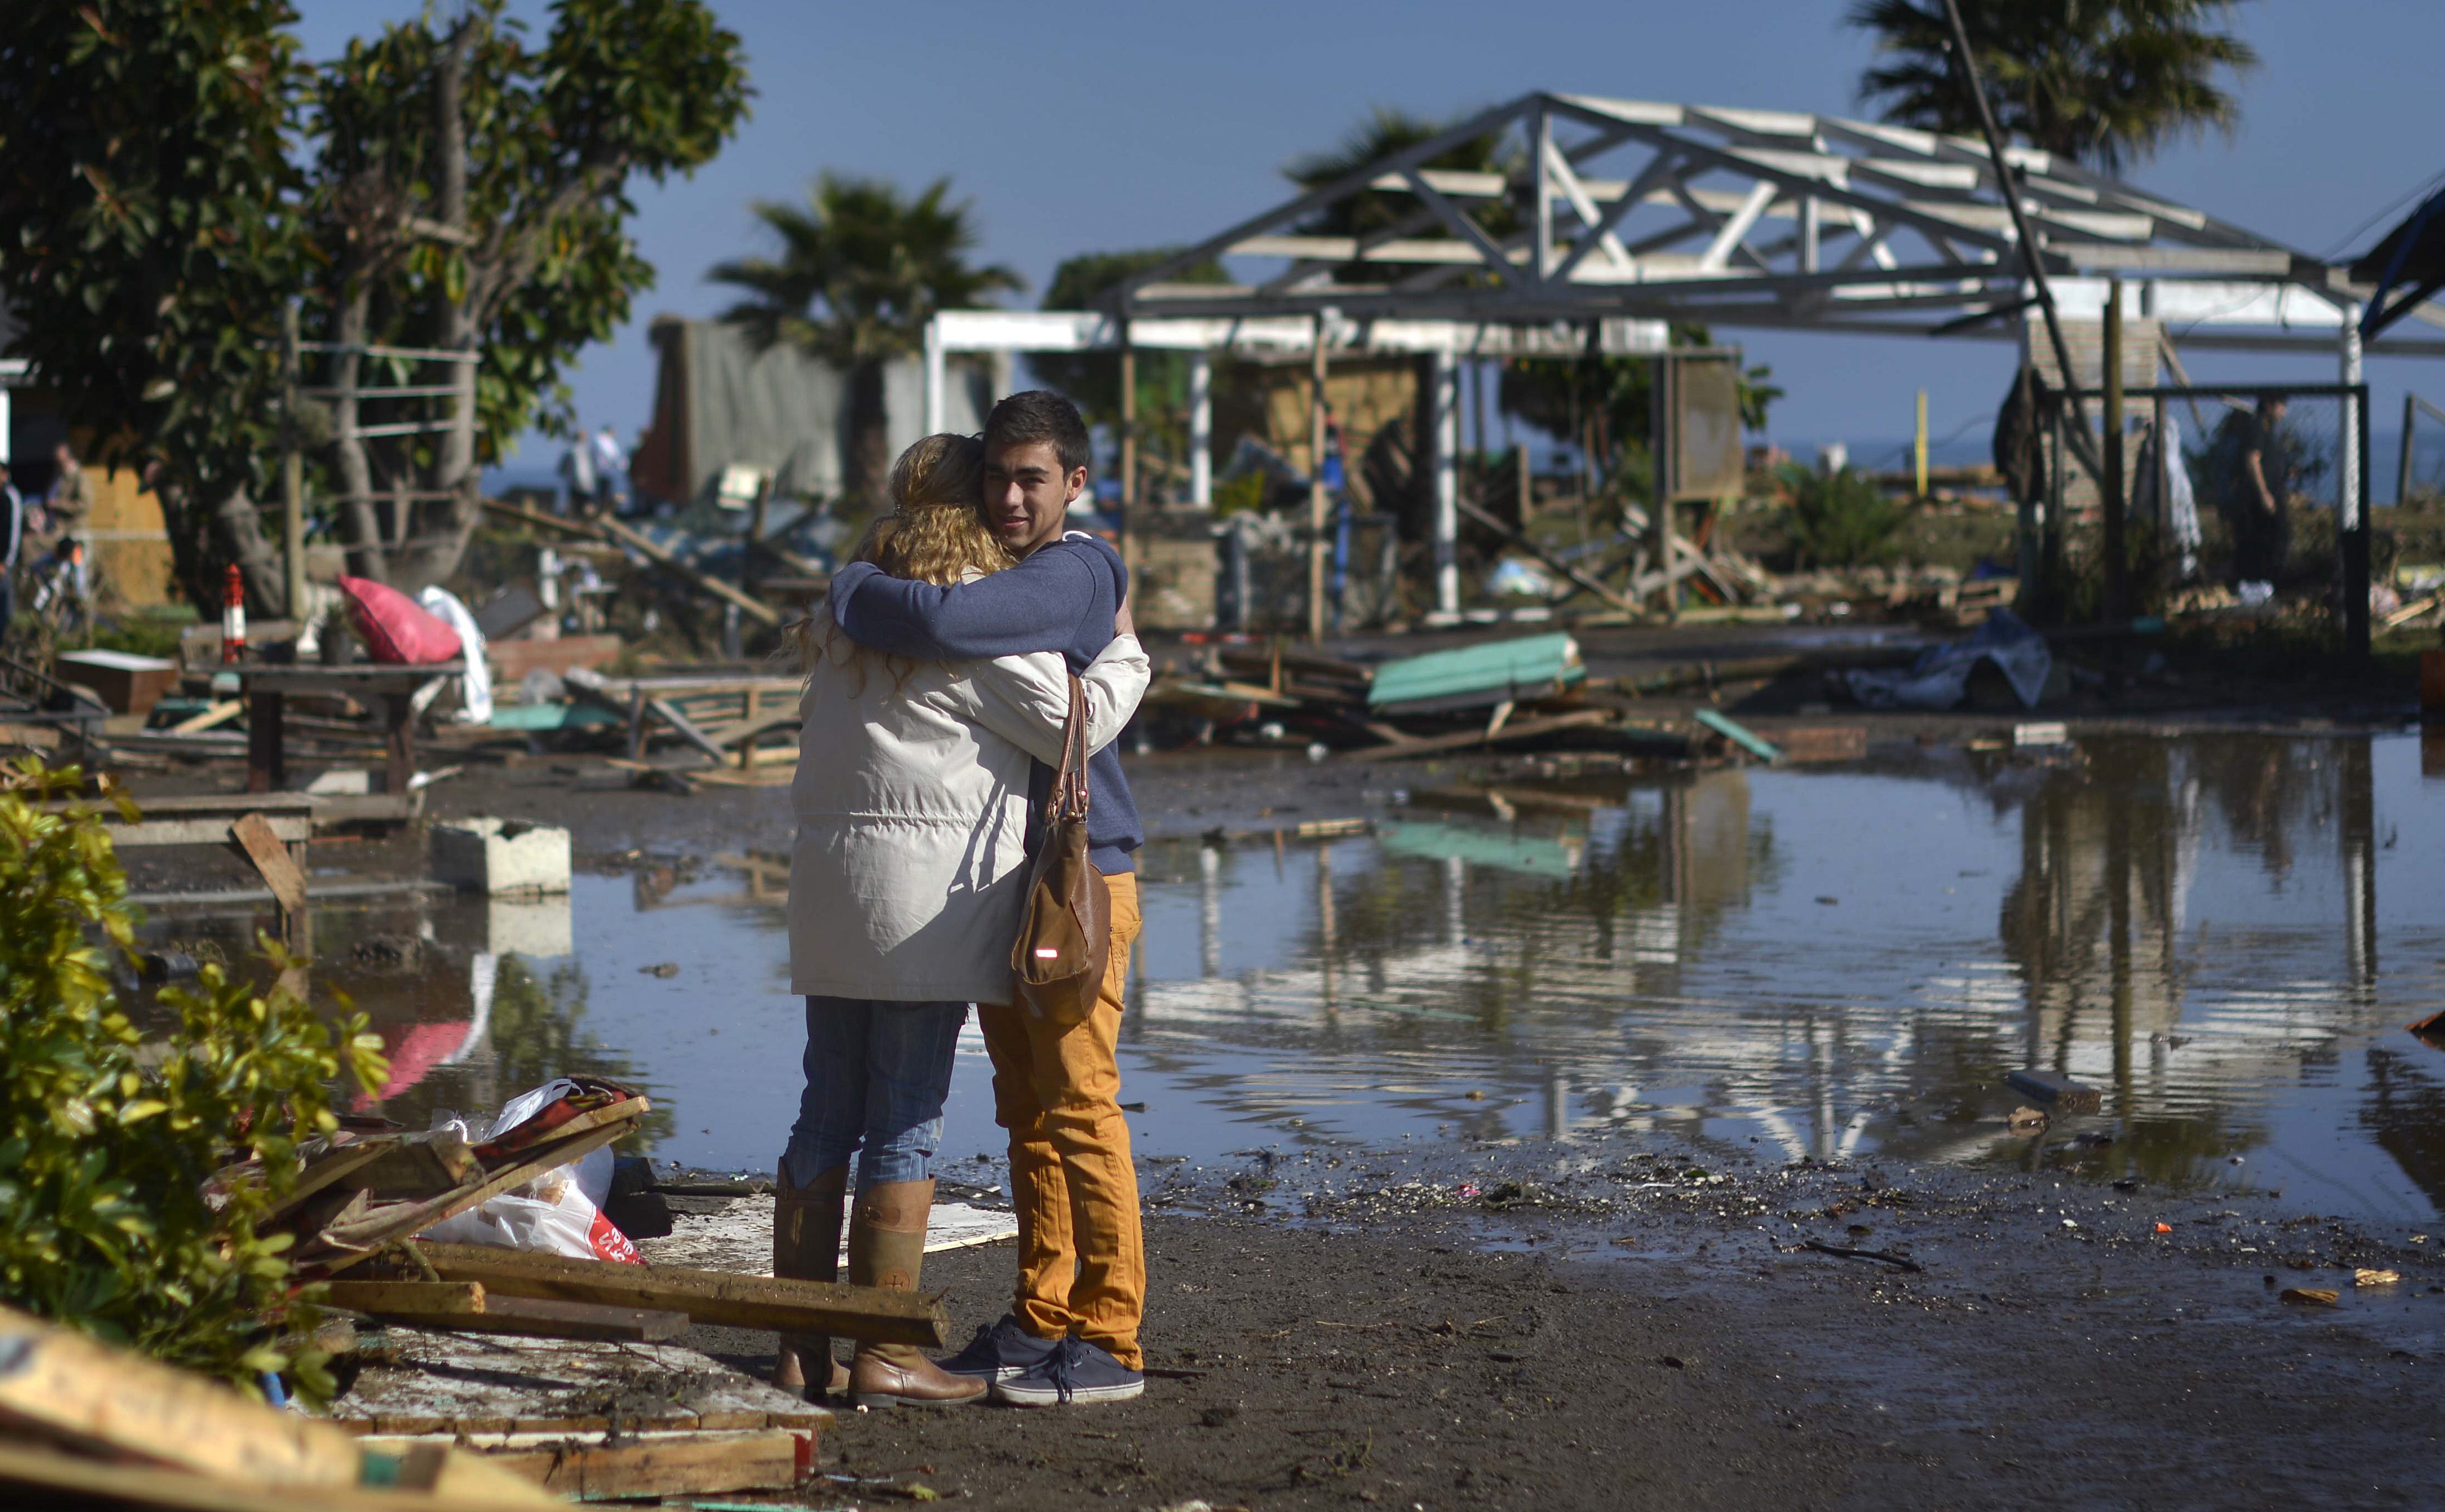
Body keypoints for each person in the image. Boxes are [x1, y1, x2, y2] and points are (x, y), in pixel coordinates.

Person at [780, 431, 1148, 1410]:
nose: (1013, 503)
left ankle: (797, 1345)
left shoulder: (845, 615)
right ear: (976, 511)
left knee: (823, 1112)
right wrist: (1126, 652)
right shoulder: (979, 638)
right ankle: (883, 1353)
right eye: (999, 487)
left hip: (827, 904)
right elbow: (1078, 726)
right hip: (921, 919)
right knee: (903, 1122)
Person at [2232, 396, 2291, 586]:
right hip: (2259, 500)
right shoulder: (2257, 428)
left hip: (2273, 493)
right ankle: (2259, 582)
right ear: (2268, 405)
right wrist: (2264, 494)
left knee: (2274, 539)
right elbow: (2253, 460)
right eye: (2281, 405)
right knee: (2264, 541)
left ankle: (2267, 582)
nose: (2284, 412)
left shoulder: (2269, 431)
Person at [0, 460, 23, 636]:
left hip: (3, 562)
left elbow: (13, 531)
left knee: (5, 608)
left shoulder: (10, 496)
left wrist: (6, 562)